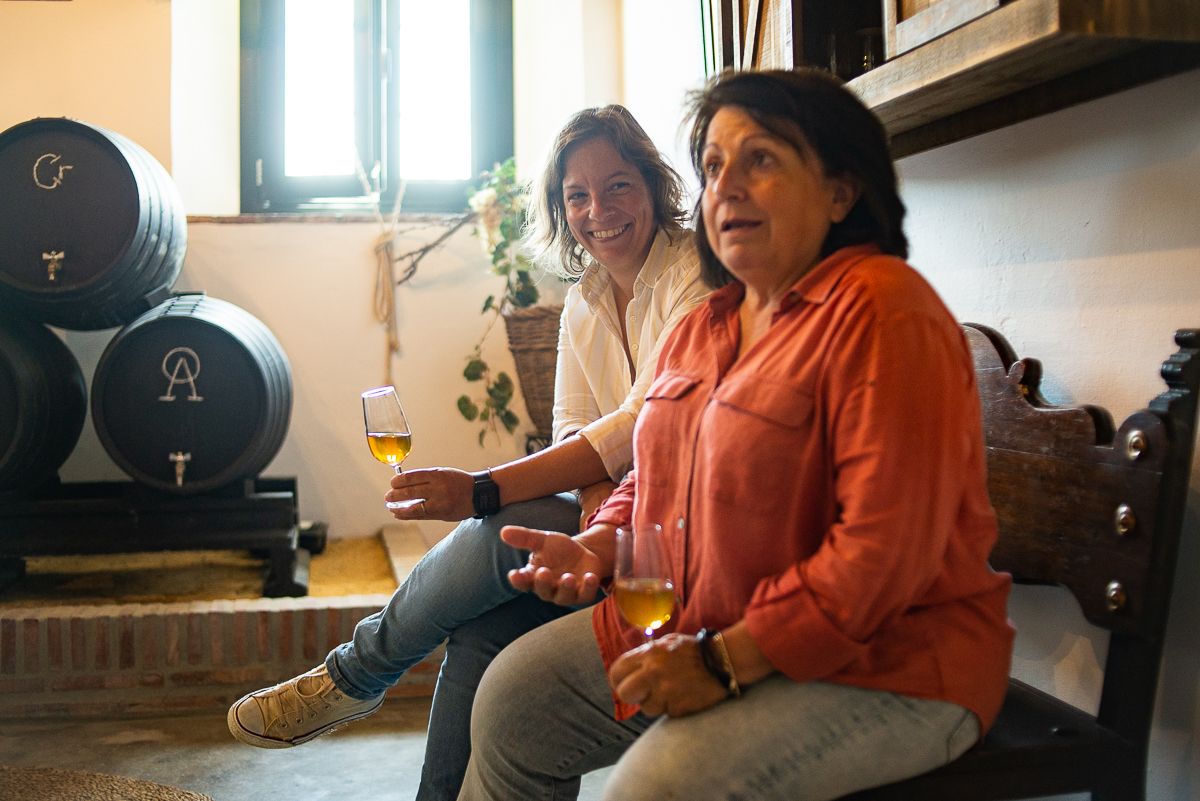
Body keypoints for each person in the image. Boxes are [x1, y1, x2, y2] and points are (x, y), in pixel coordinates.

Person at [457, 68, 1016, 801]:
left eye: (761, 159)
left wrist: (721, 661)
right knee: (511, 702)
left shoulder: (883, 311)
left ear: (840, 191)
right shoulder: (704, 326)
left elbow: (879, 558)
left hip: (889, 668)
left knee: (652, 788)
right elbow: (655, 479)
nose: (727, 185)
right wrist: (602, 542)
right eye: (715, 165)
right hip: (707, 625)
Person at [226, 105, 710, 801]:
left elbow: (641, 424)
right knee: (485, 627)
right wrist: (604, 528)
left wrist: (484, 487)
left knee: (493, 539)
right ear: (559, 207)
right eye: (577, 194)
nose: (597, 210)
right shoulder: (583, 301)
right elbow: (577, 433)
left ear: (653, 185)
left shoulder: (694, 273)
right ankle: (367, 695)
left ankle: (355, 675)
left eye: (618, 186)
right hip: (621, 522)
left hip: (674, 528)